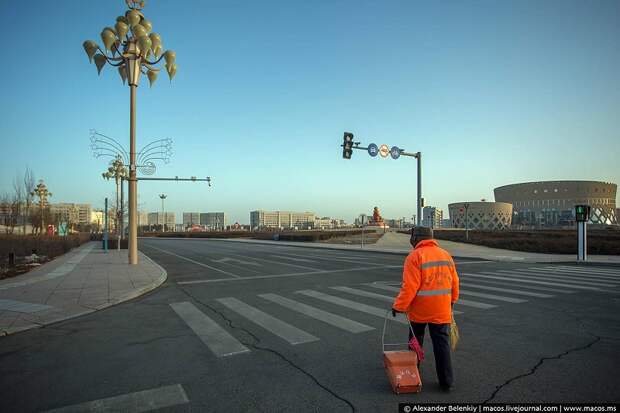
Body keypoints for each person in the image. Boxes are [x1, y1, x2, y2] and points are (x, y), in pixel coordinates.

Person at [391, 226, 459, 391]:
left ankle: (413, 373)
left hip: (419, 311)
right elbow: (455, 282)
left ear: (416, 238)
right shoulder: (445, 255)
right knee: (441, 344)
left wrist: (398, 306)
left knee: (415, 342)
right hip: (441, 309)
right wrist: (452, 301)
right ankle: (446, 381)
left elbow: (409, 287)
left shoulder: (414, 256)